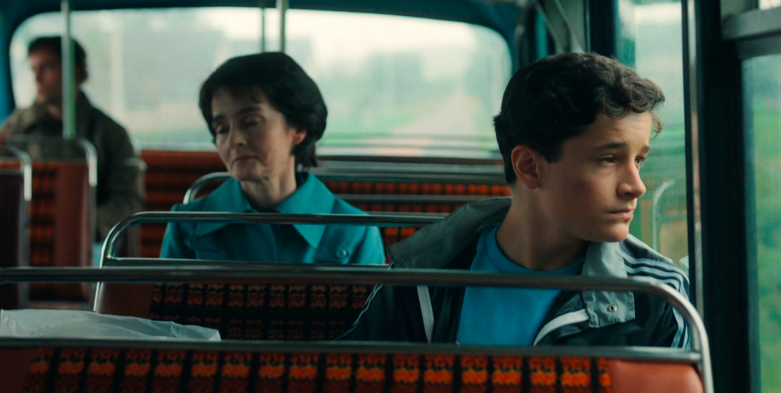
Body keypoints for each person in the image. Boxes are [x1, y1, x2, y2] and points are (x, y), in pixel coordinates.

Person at [340, 53, 690, 348]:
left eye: (639, 160)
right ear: (529, 167)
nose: (636, 186)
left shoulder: (657, 296)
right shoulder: (420, 283)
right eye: (608, 160)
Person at [160, 53, 385, 265]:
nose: (234, 140)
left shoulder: (355, 231)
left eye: (251, 122)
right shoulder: (186, 225)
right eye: (222, 128)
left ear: (298, 128)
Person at [0, 37, 144, 247]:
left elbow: (128, 199)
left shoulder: (110, 134)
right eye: (33, 69)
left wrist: (83, 225)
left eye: (47, 68)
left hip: (89, 241)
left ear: (76, 72)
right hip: (26, 237)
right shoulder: (17, 126)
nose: (37, 78)